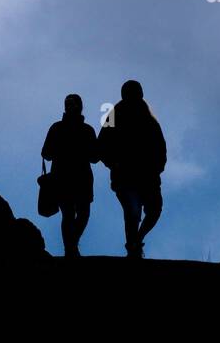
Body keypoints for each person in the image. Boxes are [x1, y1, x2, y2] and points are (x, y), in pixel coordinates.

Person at [98, 80, 166, 258]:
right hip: (125, 176)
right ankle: (133, 247)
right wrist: (114, 163)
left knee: (154, 209)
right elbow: (102, 144)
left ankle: (136, 239)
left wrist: (159, 166)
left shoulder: (148, 116)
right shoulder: (114, 115)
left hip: (148, 175)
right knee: (133, 211)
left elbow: (160, 144)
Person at [42, 94, 100, 258]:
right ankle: (71, 247)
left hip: (64, 177)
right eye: (68, 104)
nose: (69, 106)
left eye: (70, 104)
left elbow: (46, 153)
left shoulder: (57, 128)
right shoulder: (87, 130)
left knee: (71, 214)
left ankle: (71, 247)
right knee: (79, 214)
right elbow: (95, 157)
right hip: (79, 178)